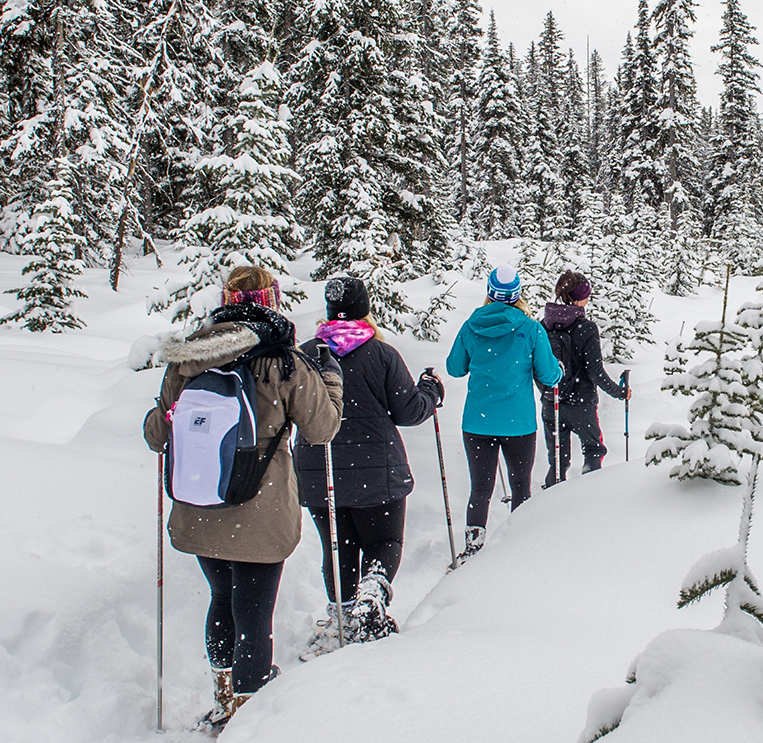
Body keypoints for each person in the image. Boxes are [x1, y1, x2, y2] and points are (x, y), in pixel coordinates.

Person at [144, 266, 343, 733]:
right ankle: (248, 716)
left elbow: (158, 433)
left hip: (199, 502)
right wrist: (331, 382)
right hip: (259, 507)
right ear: (270, 300)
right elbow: (322, 428)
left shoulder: (190, 357)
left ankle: (223, 696)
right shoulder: (283, 360)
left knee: (222, 597)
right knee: (254, 611)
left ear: (226, 299)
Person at [293, 276, 444, 656]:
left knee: (337, 545)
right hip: (377, 469)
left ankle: (341, 616)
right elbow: (408, 411)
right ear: (366, 309)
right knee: (383, 541)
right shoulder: (381, 354)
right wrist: (431, 391)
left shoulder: (305, 355)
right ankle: (371, 597)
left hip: (318, 467)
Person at [446, 265, 562, 557]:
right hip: (518, 423)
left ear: (489, 293)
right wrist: (557, 370)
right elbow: (548, 376)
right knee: (520, 484)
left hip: (478, 422)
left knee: (481, 488)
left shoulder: (472, 325)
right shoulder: (531, 329)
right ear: (517, 295)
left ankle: (473, 546)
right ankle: (516, 548)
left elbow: (454, 368)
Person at [540, 271, 630, 487]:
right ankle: (588, 500)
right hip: (582, 404)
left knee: (558, 460)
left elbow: (537, 367)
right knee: (593, 449)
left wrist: (545, 392)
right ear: (580, 297)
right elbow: (595, 372)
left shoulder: (543, 325)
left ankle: (550, 503)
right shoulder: (586, 328)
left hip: (552, 402)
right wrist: (620, 393)